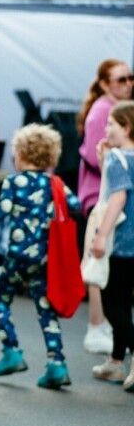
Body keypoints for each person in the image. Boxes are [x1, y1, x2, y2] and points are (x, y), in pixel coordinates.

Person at [0, 124, 79, 390]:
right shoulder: (55, 183)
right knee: (45, 306)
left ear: (20, 154)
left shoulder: (14, 181)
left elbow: (3, 209)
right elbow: (75, 206)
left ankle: (11, 350)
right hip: (44, 257)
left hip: (18, 256)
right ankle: (57, 363)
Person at [76, 60, 131, 355]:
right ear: (105, 83)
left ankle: (110, 341)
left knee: (109, 275)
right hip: (100, 201)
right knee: (101, 267)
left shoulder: (116, 109)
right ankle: (97, 326)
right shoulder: (103, 111)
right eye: (121, 79)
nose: (128, 83)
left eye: (130, 77)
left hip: (112, 206)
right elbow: (100, 162)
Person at [89, 100, 134, 390]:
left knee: (113, 304)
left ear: (126, 127)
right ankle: (116, 363)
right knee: (125, 303)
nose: (106, 129)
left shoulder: (117, 158)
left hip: (122, 243)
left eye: (111, 124)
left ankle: (122, 360)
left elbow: (116, 198)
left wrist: (101, 235)